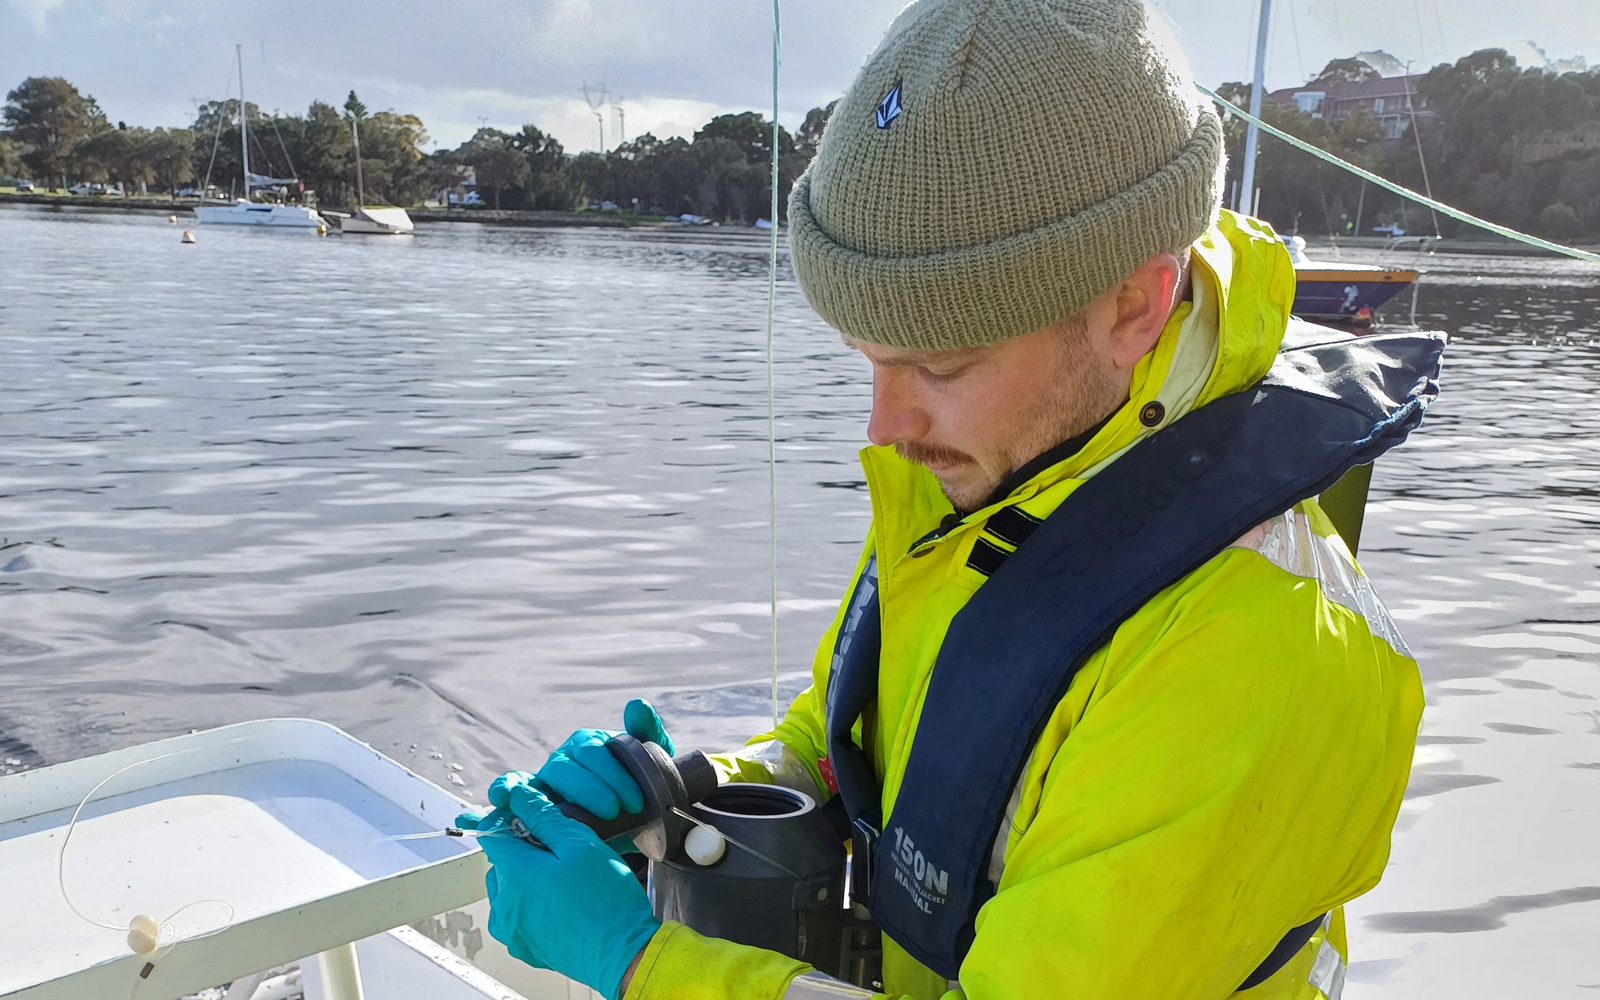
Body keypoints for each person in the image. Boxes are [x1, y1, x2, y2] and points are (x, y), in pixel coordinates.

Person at [460, 1, 1429, 998]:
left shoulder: (1254, 650)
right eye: (868, 361)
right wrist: (702, 787)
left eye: (942, 364)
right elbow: (864, 746)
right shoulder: (1003, 456)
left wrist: (642, 962)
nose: (886, 426)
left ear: (1132, 305)